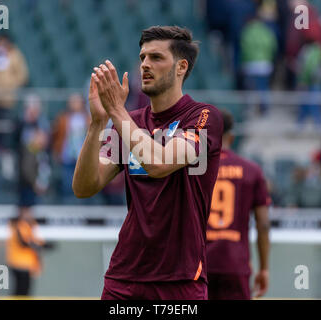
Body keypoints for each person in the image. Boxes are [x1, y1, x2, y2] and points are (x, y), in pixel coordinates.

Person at [73, 26, 223, 300]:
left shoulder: (203, 117)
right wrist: (97, 123)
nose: (145, 65)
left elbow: (158, 163)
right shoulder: (130, 122)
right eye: (142, 57)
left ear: (181, 67)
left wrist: (117, 111)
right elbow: (84, 187)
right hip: (124, 277)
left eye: (156, 57)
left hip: (180, 280)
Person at [206, 110, 271, 300]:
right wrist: (264, 268)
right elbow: (263, 224)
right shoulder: (251, 170)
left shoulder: (195, 170)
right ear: (231, 137)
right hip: (235, 263)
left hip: (198, 265)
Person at [0, 32, 29, 149]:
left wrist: (11, 85)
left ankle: (3, 148)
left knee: (5, 125)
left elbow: (22, 75)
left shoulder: (16, 56)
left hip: (7, 98)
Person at [6, 206, 52, 296]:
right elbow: (24, 242)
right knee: (21, 291)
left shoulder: (30, 225)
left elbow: (35, 241)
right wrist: (40, 246)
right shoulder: (19, 225)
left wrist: (44, 245)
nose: (29, 214)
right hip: (19, 263)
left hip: (27, 264)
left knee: (25, 291)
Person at [15, 94, 50, 207]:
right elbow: (15, 142)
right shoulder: (20, 123)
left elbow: (47, 144)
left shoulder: (41, 124)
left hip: (38, 165)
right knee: (25, 200)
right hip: (25, 168)